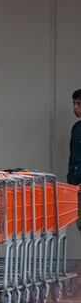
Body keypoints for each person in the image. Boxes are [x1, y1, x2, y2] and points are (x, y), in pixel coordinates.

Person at [68, 89, 81, 232]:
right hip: (76, 183)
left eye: (79, 104)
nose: (75, 108)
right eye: (74, 103)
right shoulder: (77, 128)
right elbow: (73, 156)